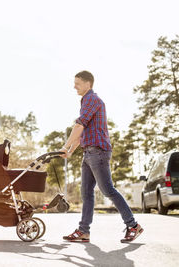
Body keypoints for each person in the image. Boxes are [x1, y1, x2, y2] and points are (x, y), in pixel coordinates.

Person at [60, 71, 143, 243]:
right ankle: (84, 231)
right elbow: (82, 132)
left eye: (78, 83)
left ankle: (133, 225)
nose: (74, 86)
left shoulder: (92, 99)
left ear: (88, 84)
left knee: (107, 190)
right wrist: (71, 151)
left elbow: (79, 125)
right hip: (89, 152)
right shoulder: (86, 101)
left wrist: (65, 146)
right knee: (86, 193)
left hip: (97, 152)